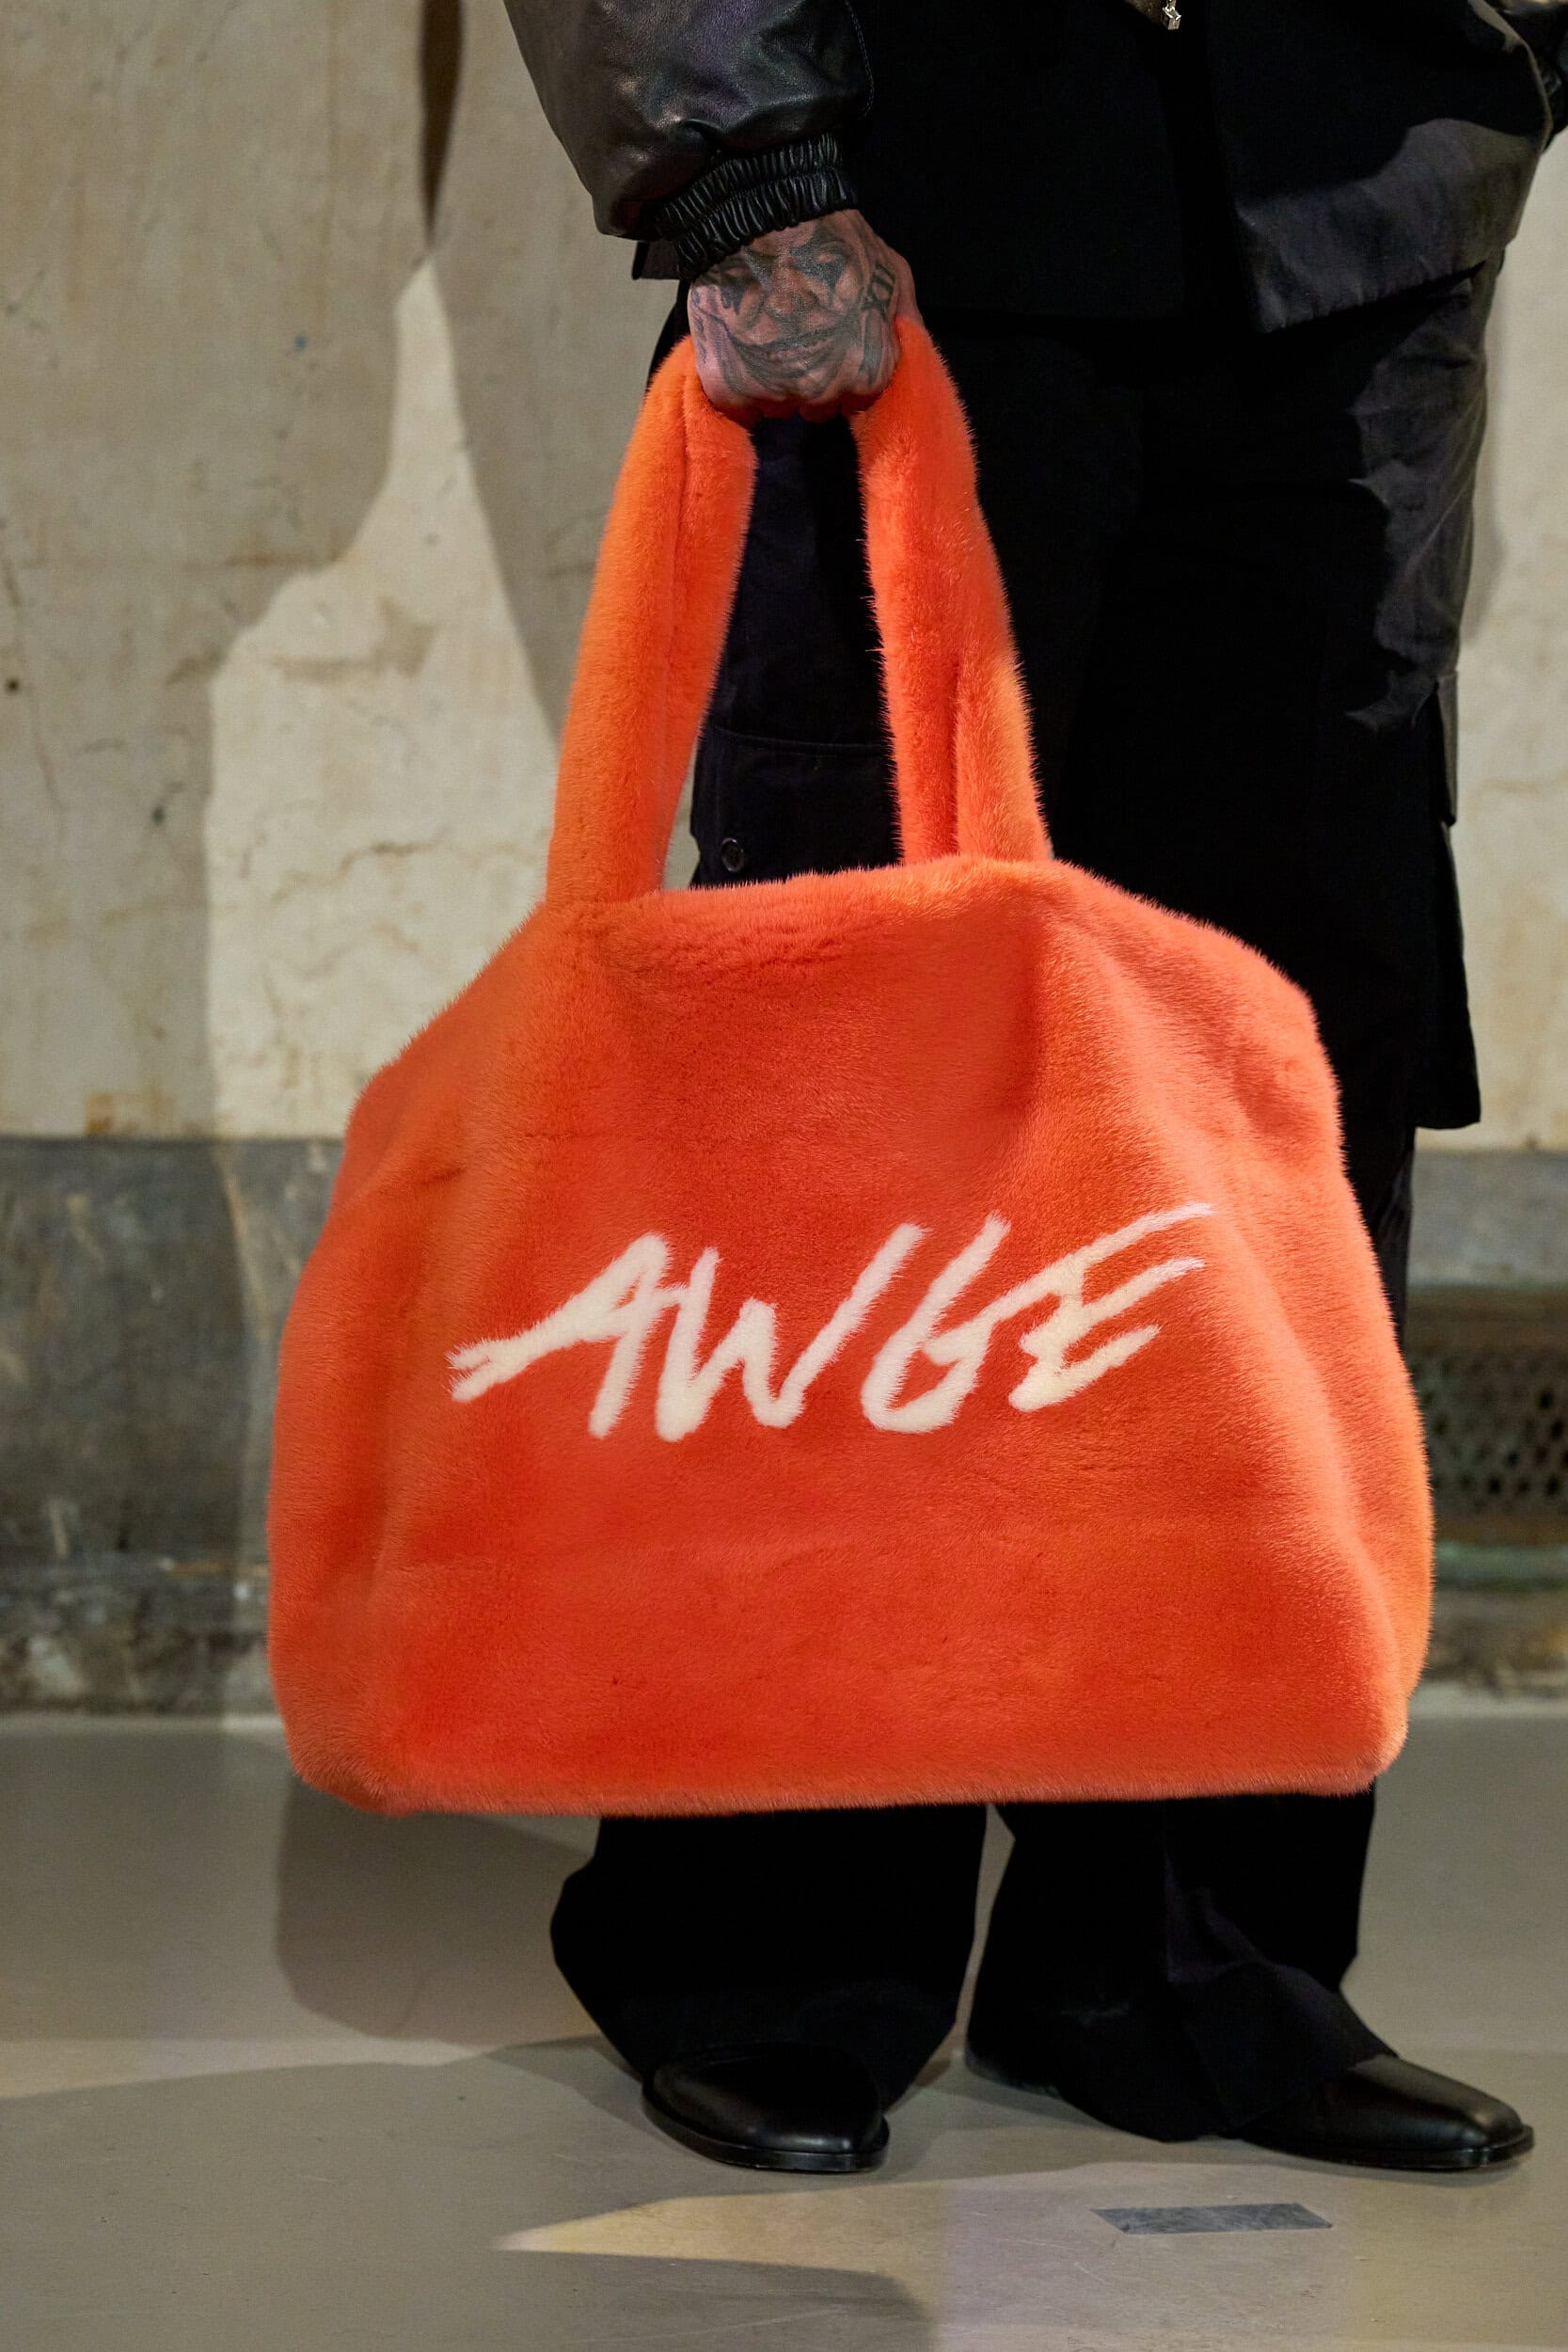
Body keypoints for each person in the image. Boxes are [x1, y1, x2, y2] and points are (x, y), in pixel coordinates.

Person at [502, 0, 1566, 2177]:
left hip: (1351, 187)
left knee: (1277, 1074)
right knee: (848, 1081)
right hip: (915, 170)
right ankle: (772, 1945)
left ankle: (1189, 1958)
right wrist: (744, 167)